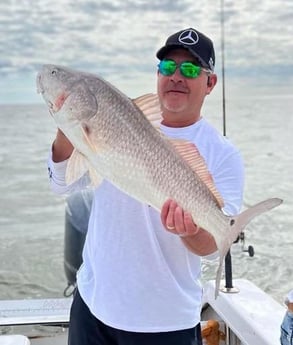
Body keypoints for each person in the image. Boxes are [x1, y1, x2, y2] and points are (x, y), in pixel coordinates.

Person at [47, 28, 244, 345]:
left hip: (163, 322)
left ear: (210, 83)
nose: (176, 76)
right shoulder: (117, 121)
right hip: (92, 305)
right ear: (158, 75)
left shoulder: (222, 154)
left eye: (191, 69)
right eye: (168, 67)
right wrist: (66, 126)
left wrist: (190, 230)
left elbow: (210, 247)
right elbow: (60, 185)